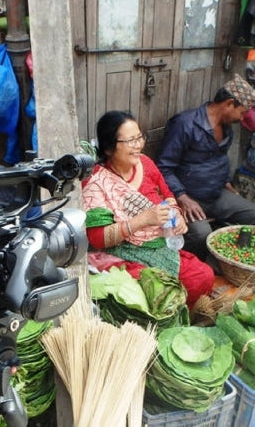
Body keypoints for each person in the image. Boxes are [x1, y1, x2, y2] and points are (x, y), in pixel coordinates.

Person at [82, 111, 214, 306]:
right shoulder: (97, 183)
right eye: (130, 141)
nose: (138, 145)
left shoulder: (145, 163)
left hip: (161, 248)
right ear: (109, 148)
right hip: (124, 254)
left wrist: (177, 216)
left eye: (140, 137)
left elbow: (167, 196)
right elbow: (98, 238)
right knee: (154, 293)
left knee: (203, 277)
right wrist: (143, 220)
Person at [156, 73, 255, 260]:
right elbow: (163, 168)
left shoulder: (227, 127)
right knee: (201, 234)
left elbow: (219, 159)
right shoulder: (185, 124)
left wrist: (227, 182)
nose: (242, 118)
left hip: (215, 194)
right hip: (187, 197)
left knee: (254, 215)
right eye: (242, 112)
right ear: (229, 104)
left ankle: (235, 261)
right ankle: (192, 264)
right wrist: (182, 197)